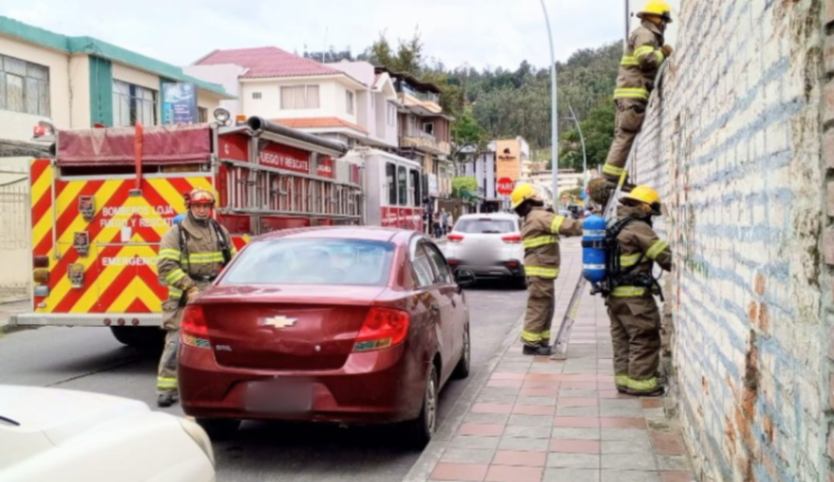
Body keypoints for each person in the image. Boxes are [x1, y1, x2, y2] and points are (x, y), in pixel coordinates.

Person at [155, 189, 234, 407]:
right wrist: (189, 288)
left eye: (206, 206)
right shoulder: (176, 233)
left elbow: (232, 262)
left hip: (213, 293)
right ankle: (166, 389)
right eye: (197, 206)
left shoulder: (219, 231)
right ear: (189, 207)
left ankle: (215, 386)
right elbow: (165, 267)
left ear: (211, 208)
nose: (202, 210)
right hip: (183, 296)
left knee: (215, 343)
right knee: (175, 343)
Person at [591, 0, 673, 205]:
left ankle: (615, 177)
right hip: (633, 96)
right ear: (655, 18)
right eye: (663, 20)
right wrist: (663, 53)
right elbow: (647, 61)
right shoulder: (645, 35)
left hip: (629, 96)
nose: (664, 24)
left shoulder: (643, 34)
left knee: (623, 136)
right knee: (626, 135)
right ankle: (611, 179)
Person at [604, 185, 672, 396]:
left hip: (614, 296)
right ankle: (642, 383)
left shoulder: (616, 225)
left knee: (622, 339)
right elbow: (664, 257)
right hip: (635, 298)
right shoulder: (639, 228)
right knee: (645, 337)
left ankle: (624, 381)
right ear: (643, 207)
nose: (651, 217)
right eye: (651, 211)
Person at [510, 183, 583, 356]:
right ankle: (531, 345)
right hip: (540, 271)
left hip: (540, 271)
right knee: (539, 306)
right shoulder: (539, 216)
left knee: (545, 306)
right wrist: (590, 225)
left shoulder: (533, 217)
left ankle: (540, 341)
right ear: (529, 201)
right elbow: (567, 226)